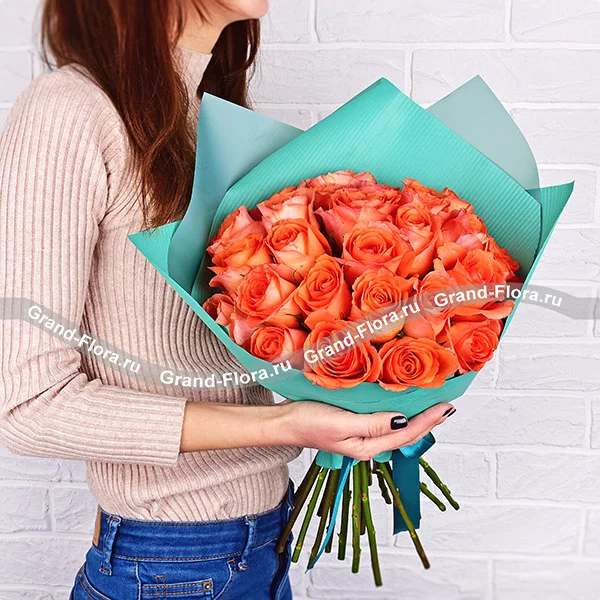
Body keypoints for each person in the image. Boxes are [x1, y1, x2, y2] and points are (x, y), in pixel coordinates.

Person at [0, 1, 455, 597]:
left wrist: (364, 377)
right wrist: (288, 423)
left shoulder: (212, 116)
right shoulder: (70, 110)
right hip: (172, 567)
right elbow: (27, 407)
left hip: (260, 544)